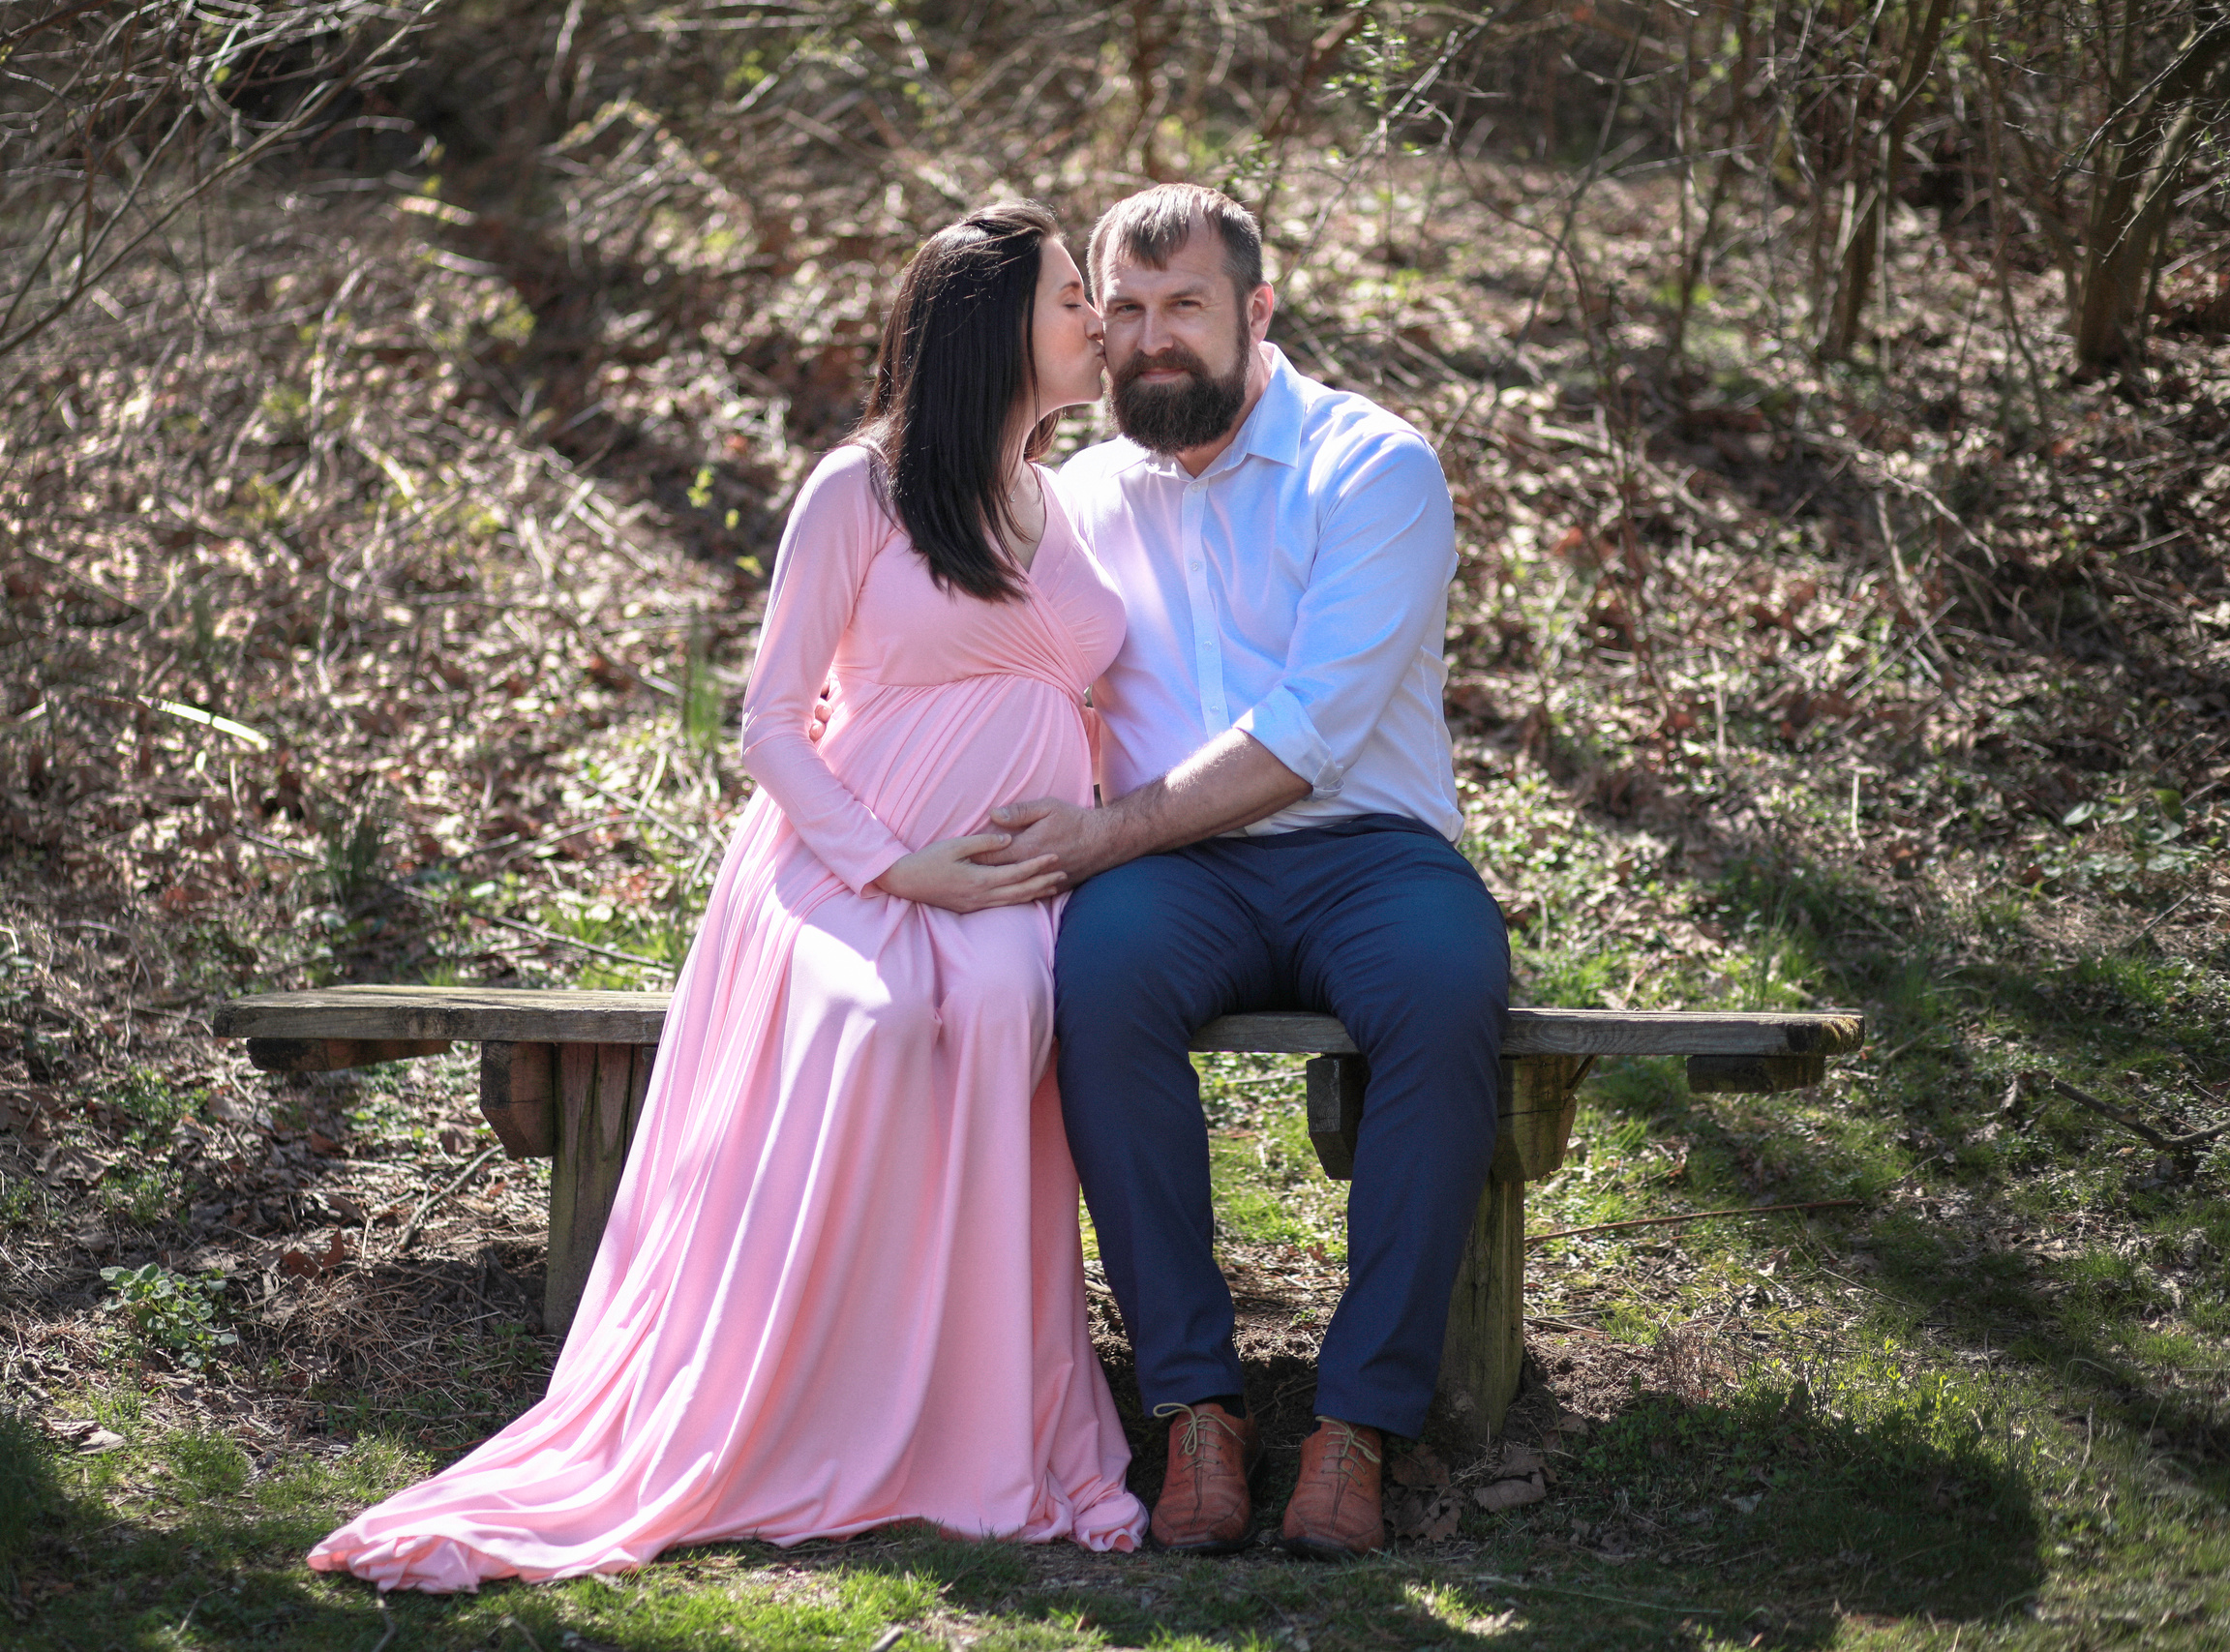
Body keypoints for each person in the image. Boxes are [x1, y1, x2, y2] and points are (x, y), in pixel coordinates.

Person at [309, 201, 1147, 1589]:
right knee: (875, 1029)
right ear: (1000, 327)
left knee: (1009, 1017)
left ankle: (985, 1427)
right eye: (1074, 298)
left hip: (1013, 892)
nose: (1096, 325)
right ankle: (807, 1401)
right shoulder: (859, 491)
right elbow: (768, 726)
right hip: (849, 871)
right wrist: (898, 864)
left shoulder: (1068, 502)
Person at [986, 183, 1509, 1560]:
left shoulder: (1373, 467)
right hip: (1180, 876)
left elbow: (1311, 735)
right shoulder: (1076, 496)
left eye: (1188, 307)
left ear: (1258, 311)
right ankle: (1195, 1409)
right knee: (1096, 977)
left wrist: (1102, 834)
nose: (1154, 341)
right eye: (1130, 310)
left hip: (1367, 854)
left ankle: (1360, 1424)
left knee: (1452, 992)